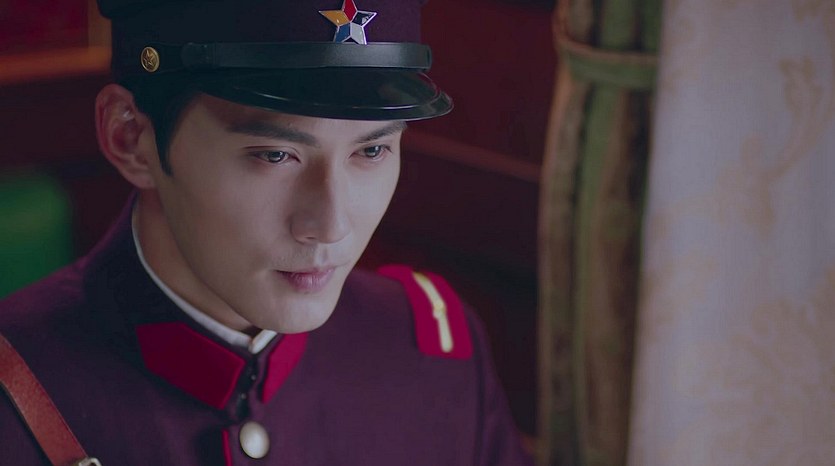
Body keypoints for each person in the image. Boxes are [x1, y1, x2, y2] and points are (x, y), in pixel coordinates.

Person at [0, 0, 532, 464]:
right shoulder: (15, 396)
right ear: (131, 137)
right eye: (275, 155)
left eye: (371, 150)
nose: (330, 227)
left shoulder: (434, 358)